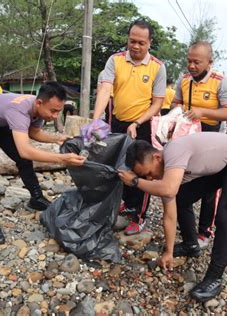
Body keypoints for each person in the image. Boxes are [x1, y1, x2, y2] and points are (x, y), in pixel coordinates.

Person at [118, 133, 227, 303]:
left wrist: (135, 182)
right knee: (181, 199)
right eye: (143, 177)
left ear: (156, 157)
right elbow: (169, 214)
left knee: (226, 218)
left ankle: (215, 277)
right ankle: (190, 244)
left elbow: (167, 189)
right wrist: (168, 252)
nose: (150, 179)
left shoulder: (174, 151)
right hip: (219, 167)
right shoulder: (167, 174)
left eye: (148, 173)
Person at [0, 81, 85, 246]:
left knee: (24, 161)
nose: (55, 116)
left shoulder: (38, 110)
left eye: (59, 111)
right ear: (39, 102)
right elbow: (25, 150)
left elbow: (34, 132)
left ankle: (36, 198)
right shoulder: (19, 110)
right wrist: (63, 158)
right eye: (53, 111)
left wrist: (57, 138)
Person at [92, 19, 167, 235]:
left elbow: (157, 103)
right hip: (116, 122)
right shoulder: (115, 60)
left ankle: (139, 216)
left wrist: (137, 122)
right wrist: (96, 119)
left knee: (143, 171)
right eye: (132, 41)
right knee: (119, 166)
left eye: (141, 43)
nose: (135, 46)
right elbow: (105, 90)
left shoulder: (157, 67)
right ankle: (127, 202)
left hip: (142, 125)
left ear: (149, 43)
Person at [172, 41, 227, 249]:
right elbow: (175, 102)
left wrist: (203, 112)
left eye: (197, 62)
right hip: (188, 137)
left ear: (210, 62)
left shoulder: (221, 82)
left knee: (210, 189)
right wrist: (178, 109)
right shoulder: (183, 80)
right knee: (184, 182)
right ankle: (187, 229)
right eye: (189, 61)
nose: (191, 66)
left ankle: (204, 232)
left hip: (213, 141)